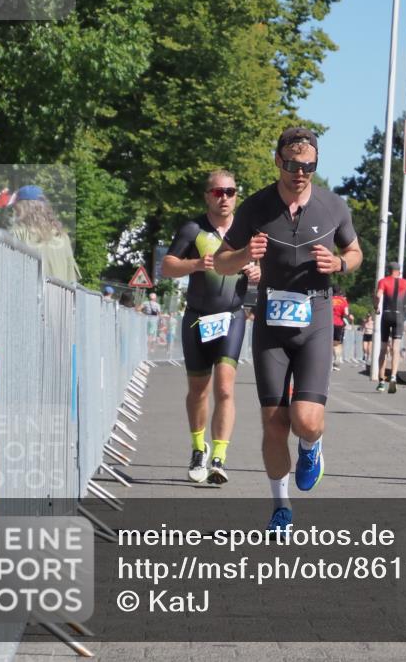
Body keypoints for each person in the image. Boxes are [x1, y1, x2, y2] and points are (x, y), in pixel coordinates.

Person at [215, 127, 362, 533]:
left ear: (316, 165)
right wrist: (245, 253)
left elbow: (355, 250)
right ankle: (281, 507)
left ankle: (312, 448)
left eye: (309, 166)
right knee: (274, 422)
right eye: (293, 164)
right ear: (278, 161)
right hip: (271, 322)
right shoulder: (255, 207)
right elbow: (223, 262)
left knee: (307, 420)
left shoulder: (333, 206)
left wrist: (341, 265)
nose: (300, 173)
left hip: (315, 317)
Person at [161, 170, 259, 486]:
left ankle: (219, 456)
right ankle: (197, 448)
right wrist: (195, 264)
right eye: (218, 192)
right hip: (197, 318)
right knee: (198, 391)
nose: (225, 198)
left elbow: (266, 267)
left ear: (236, 195)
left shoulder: (247, 233)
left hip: (232, 317)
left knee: (226, 388)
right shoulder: (193, 228)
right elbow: (166, 267)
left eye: (230, 192)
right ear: (207, 196)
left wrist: (258, 273)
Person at [8, 185, 80, 283]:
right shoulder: (62, 236)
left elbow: (8, 271)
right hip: (60, 297)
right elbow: (72, 279)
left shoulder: (18, 233)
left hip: (29, 296)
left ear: (21, 208)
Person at [374, 262, 406, 393]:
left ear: (389, 271)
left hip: (386, 315)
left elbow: (378, 295)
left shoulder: (383, 281)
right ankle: (393, 376)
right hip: (399, 316)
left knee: (383, 349)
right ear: (399, 271)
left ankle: (381, 381)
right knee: (396, 348)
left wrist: (376, 307)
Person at [331, 289, 351, 370]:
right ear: (340, 292)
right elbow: (346, 313)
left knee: (328, 342)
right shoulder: (343, 300)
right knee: (337, 343)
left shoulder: (329, 299)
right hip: (339, 324)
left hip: (328, 323)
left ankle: (329, 361)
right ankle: (337, 359)